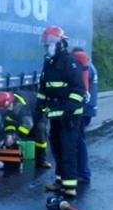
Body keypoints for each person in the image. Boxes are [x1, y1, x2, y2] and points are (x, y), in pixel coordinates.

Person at [37, 25, 86, 198]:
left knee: (68, 150)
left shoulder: (71, 63)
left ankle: (70, 186)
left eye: (50, 43)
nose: (47, 47)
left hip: (69, 117)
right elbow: (44, 88)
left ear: (61, 44)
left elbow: (78, 90)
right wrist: (40, 107)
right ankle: (59, 181)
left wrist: (68, 111)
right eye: (46, 44)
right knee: (56, 149)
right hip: (55, 116)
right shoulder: (49, 63)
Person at [0, 90, 51, 168]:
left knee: (40, 131)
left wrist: (14, 137)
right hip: (27, 114)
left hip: (38, 112)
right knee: (16, 133)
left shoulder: (19, 106)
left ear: (9, 103)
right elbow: (9, 122)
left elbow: (28, 124)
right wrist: (9, 134)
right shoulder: (7, 107)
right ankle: (13, 153)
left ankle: (41, 161)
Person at [71, 48, 97, 185]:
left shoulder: (86, 68)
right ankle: (81, 172)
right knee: (79, 140)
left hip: (84, 109)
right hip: (88, 109)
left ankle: (83, 174)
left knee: (79, 142)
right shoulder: (90, 66)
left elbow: (80, 86)